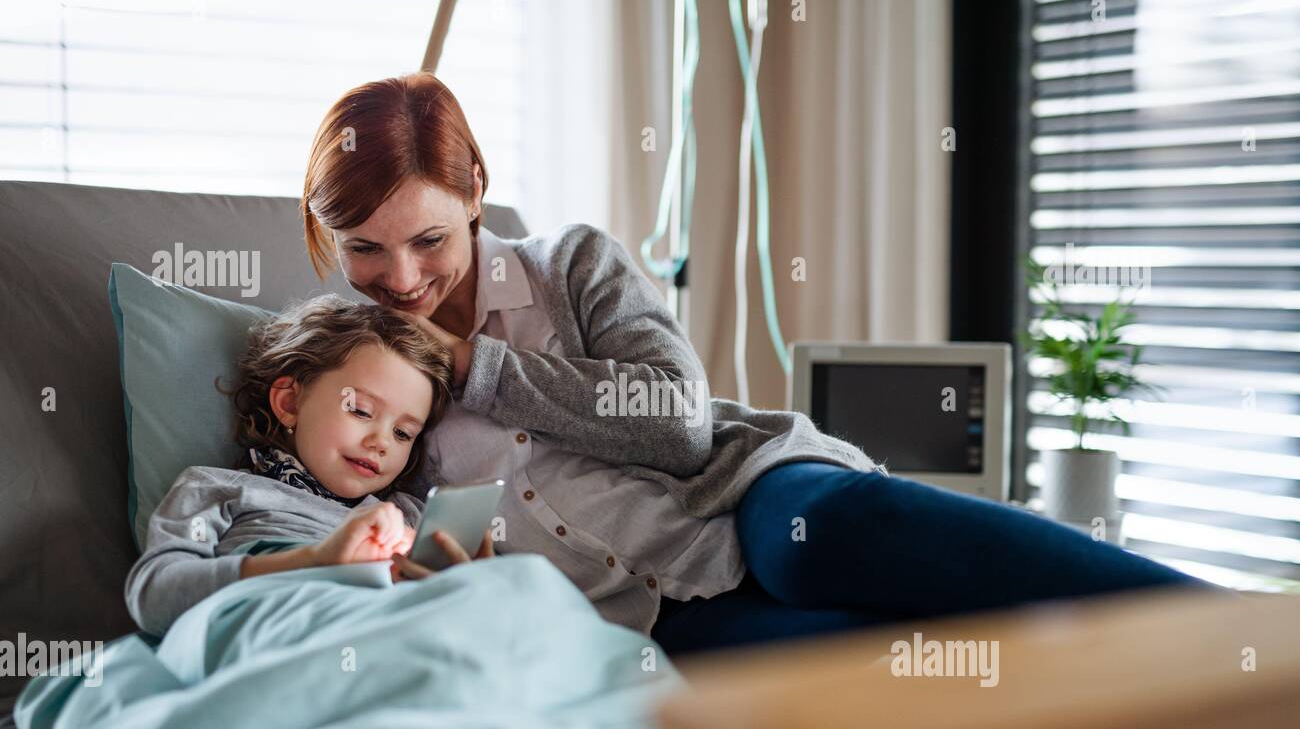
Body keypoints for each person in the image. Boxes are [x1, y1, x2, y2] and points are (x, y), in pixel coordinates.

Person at [299, 72, 1211, 655]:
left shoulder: (569, 264)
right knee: (872, 658)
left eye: (428, 238)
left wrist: (478, 368)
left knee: (818, 556)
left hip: (746, 492)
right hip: (645, 616)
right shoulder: (348, 360)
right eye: (364, 251)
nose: (402, 278)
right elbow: (341, 514)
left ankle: (1238, 628)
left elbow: (679, 424)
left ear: (475, 196)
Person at [124, 295, 492, 638]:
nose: (381, 442)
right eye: (360, 410)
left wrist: (476, 584)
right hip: (287, 639)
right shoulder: (219, 490)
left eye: (402, 433)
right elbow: (154, 597)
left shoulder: (409, 516)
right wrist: (314, 561)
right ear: (290, 402)